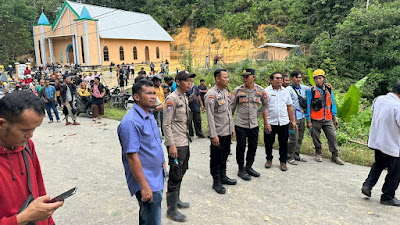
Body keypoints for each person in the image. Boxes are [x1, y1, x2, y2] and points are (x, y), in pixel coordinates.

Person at [0, 91, 63, 224]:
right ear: (1, 124)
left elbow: (39, 188)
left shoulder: (27, 146)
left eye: (34, 129)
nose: (30, 135)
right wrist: (23, 218)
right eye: (24, 130)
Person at [118, 80, 166, 225]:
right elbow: (132, 157)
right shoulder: (131, 122)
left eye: (154, 93)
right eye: (149, 93)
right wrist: (144, 187)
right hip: (147, 180)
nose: (153, 96)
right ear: (137, 97)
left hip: (156, 174)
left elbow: (153, 143)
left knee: (148, 216)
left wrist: (162, 162)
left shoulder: (149, 114)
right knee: (152, 220)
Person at [163, 70, 195, 222]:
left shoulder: (184, 97)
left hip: (184, 141)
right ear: (179, 82)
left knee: (182, 171)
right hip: (176, 144)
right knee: (175, 176)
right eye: (187, 80)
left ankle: (177, 201)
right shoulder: (172, 99)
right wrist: (171, 145)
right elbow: (166, 123)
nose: (190, 83)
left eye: (191, 80)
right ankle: (171, 210)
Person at [361, 81, 400, 206]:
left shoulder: (379, 99)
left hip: (378, 140)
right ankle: (387, 196)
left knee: (379, 164)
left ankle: (368, 184)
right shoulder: (397, 106)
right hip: (393, 144)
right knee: (395, 171)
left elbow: (374, 114)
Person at [231, 69, 268, 181]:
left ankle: (249, 167)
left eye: (247, 76)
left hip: (253, 125)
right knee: (241, 147)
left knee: (253, 146)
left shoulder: (260, 90)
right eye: (243, 77)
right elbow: (231, 108)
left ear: (253, 77)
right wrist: (230, 125)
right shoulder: (237, 90)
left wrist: (257, 113)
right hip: (240, 124)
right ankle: (241, 169)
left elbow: (266, 105)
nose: (244, 79)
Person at [205, 68, 236, 194]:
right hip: (218, 133)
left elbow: (229, 112)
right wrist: (213, 135)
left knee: (225, 155)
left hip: (226, 131)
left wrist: (231, 128)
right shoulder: (211, 95)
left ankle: (223, 176)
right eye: (225, 77)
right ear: (217, 79)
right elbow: (210, 116)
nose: (227, 79)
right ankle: (216, 181)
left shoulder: (225, 92)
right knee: (216, 158)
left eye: (228, 77)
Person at [305, 69, 343, 165]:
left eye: (320, 78)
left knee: (332, 136)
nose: (318, 80)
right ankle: (318, 153)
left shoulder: (328, 89)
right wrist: (308, 120)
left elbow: (332, 103)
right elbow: (308, 105)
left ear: (324, 79)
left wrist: (334, 117)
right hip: (315, 118)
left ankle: (335, 155)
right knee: (316, 136)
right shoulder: (311, 91)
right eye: (316, 78)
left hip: (327, 118)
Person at [264, 72, 297, 171]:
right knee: (269, 142)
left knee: (283, 142)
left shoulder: (285, 91)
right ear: (271, 80)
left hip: (283, 122)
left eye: (281, 78)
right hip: (271, 122)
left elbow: (289, 106)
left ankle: (283, 162)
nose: (279, 80)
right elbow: (264, 108)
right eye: (277, 78)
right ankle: (269, 159)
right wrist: (266, 123)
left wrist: (293, 120)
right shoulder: (266, 91)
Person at [285, 71, 308, 165]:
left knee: (300, 137)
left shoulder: (303, 87)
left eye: (300, 77)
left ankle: (296, 155)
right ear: (292, 78)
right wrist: (290, 119)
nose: (298, 79)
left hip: (302, 116)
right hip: (293, 117)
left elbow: (313, 88)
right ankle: (289, 156)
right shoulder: (288, 90)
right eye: (296, 77)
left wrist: (326, 84)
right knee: (293, 138)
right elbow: (286, 104)